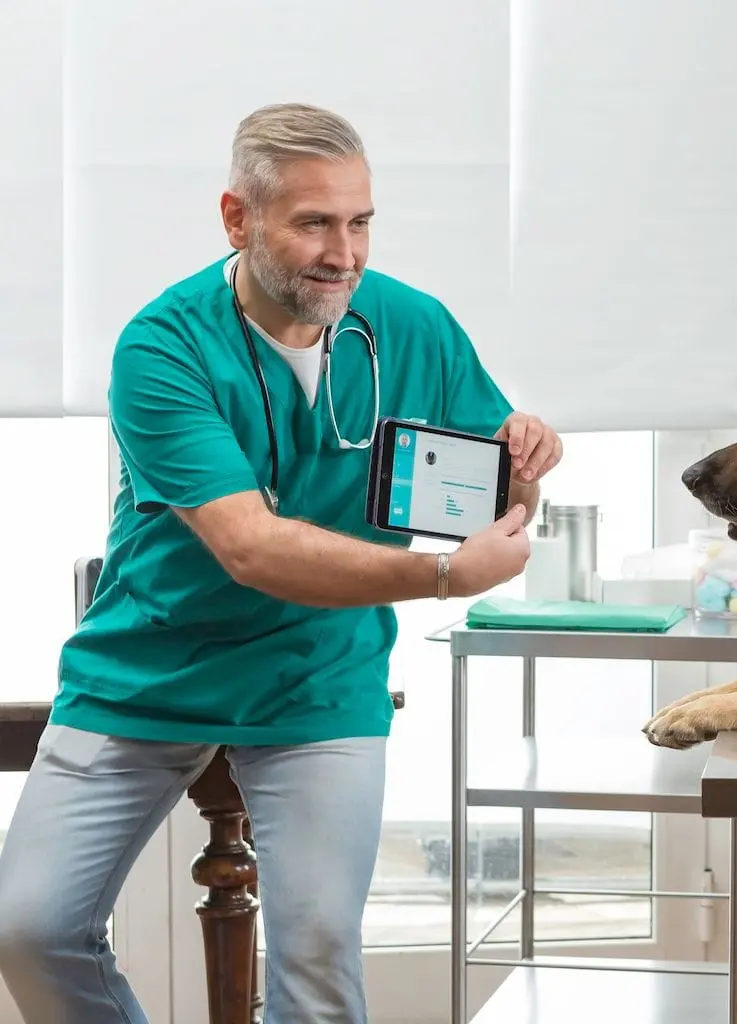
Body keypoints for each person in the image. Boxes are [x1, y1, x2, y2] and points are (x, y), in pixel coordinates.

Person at [0, 102, 562, 1023]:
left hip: (317, 675)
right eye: (314, 223)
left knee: (318, 956)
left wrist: (526, 463)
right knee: (28, 928)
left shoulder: (410, 325)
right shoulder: (164, 346)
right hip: (149, 669)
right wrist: (439, 579)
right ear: (238, 219)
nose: (345, 252)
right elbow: (250, 546)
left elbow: (498, 492)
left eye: (360, 221)